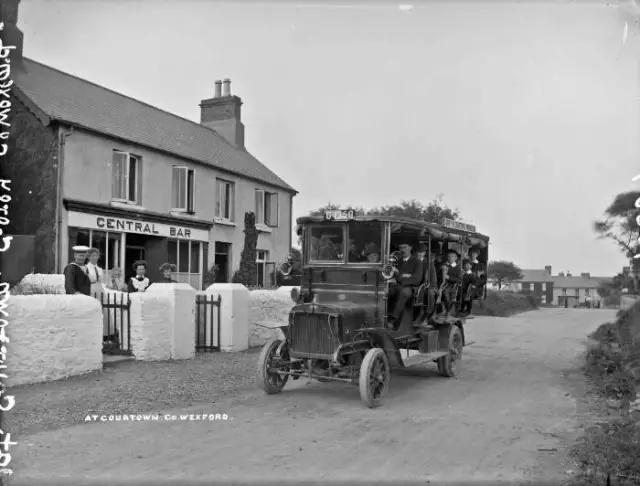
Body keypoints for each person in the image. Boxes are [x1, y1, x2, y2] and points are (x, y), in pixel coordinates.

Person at [387, 241, 423, 329]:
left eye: (405, 247)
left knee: (404, 293)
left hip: (410, 286)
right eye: (400, 248)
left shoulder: (417, 261)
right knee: (387, 291)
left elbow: (417, 279)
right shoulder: (397, 261)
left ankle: (393, 319)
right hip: (396, 284)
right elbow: (393, 275)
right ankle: (384, 314)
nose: (402, 250)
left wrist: (401, 277)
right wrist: (404, 275)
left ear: (410, 248)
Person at [440, 248, 462, 317]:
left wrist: (449, 277)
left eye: (452, 256)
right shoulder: (444, 265)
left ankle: (449, 310)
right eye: (449, 256)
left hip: (452, 285)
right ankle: (440, 310)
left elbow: (459, 280)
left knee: (446, 292)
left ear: (456, 258)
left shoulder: (458, 268)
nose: (450, 258)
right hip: (442, 284)